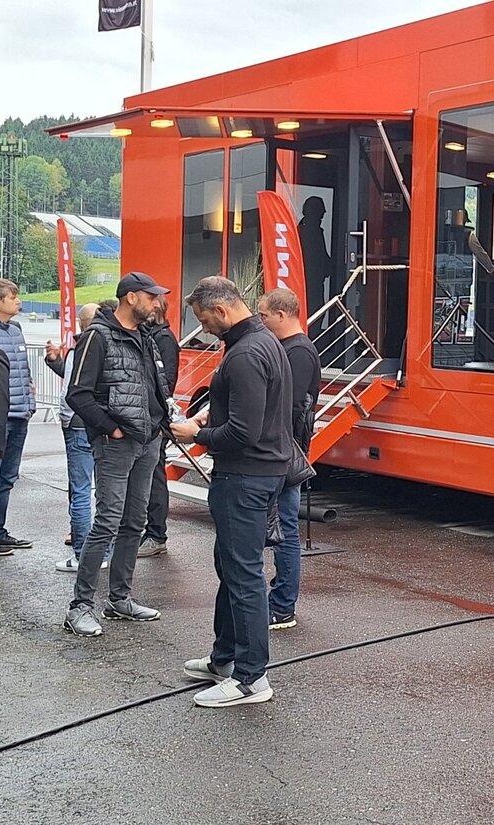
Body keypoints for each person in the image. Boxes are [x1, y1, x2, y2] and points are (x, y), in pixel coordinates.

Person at [172, 276, 291, 708]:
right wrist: (208, 422)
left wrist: (195, 432)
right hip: (255, 474)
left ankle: (250, 679)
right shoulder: (261, 342)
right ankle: (226, 658)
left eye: (205, 320)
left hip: (245, 477)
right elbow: (248, 416)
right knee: (232, 569)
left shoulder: (245, 352)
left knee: (242, 577)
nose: (205, 329)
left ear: (221, 310)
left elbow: (243, 431)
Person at [62, 273, 171, 637]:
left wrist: (160, 423)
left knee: (134, 521)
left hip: (147, 441)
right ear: (131, 298)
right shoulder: (97, 336)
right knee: (108, 521)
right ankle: (80, 607)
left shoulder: (145, 337)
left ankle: (120, 599)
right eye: (151, 297)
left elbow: (155, 387)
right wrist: (111, 428)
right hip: (117, 443)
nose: (156, 304)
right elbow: (78, 393)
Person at [257, 287, 320, 630]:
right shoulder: (293, 349)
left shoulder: (298, 352)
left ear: (281, 315)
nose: (261, 322)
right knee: (283, 527)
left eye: (264, 316)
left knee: (285, 529)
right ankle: (280, 603)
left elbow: (290, 405)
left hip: (284, 453)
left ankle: (282, 605)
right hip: (284, 450)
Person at [46, 303, 114, 572]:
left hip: (78, 424)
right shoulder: (108, 344)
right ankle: (104, 551)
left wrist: (66, 419)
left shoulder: (82, 346)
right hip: (102, 425)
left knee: (81, 491)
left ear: (81, 323)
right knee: (105, 491)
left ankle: (81, 554)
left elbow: (72, 392)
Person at [139, 295, 180, 557]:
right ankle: (151, 531)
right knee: (150, 476)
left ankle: (156, 533)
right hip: (147, 417)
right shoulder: (150, 335)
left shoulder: (164, 339)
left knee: (155, 476)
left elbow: (166, 380)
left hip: (154, 419)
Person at [0, 278, 35, 553]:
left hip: (20, 415)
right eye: (13, 297)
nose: (18, 301)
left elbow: (25, 374)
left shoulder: (16, 330)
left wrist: (30, 403)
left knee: (7, 478)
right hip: (0, 419)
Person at [298, 195, 331, 336]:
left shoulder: (310, 230)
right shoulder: (307, 232)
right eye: (321, 211)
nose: (324, 213)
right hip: (309, 283)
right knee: (315, 311)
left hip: (315, 281)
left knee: (318, 312)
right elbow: (315, 257)